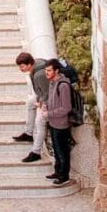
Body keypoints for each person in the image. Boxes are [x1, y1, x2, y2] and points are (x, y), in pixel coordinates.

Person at [12, 52, 50, 164]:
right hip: (42, 97)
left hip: (51, 101)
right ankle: (29, 133)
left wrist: (41, 104)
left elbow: (47, 93)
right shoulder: (36, 64)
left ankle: (36, 152)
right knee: (30, 102)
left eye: (22, 66)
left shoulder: (39, 75)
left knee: (40, 122)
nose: (20, 68)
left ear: (29, 64)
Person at [44, 58, 73, 186]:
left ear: (56, 70)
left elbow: (66, 108)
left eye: (49, 70)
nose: (47, 73)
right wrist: (46, 105)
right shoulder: (52, 83)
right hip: (53, 122)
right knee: (56, 150)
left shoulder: (63, 85)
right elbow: (53, 100)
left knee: (62, 151)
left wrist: (49, 113)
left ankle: (64, 175)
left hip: (61, 124)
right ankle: (58, 171)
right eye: (46, 70)